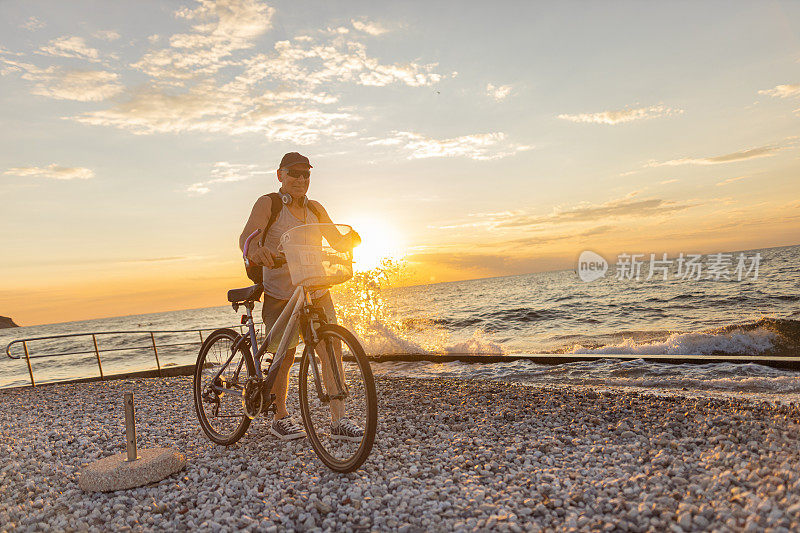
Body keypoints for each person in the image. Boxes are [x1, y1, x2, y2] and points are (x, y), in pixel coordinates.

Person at [239, 152, 362, 441]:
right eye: (294, 173)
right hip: (281, 291)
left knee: (329, 348)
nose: (301, 179)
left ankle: (339, 420)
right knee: (284, 353)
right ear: (280, 175)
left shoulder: (315, 209)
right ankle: (279, 415)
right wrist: (256, 249)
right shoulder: (268, 203)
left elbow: (336, 240)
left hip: (316, 288)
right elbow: (247, 236)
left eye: (306, 174)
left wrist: (352, 238)